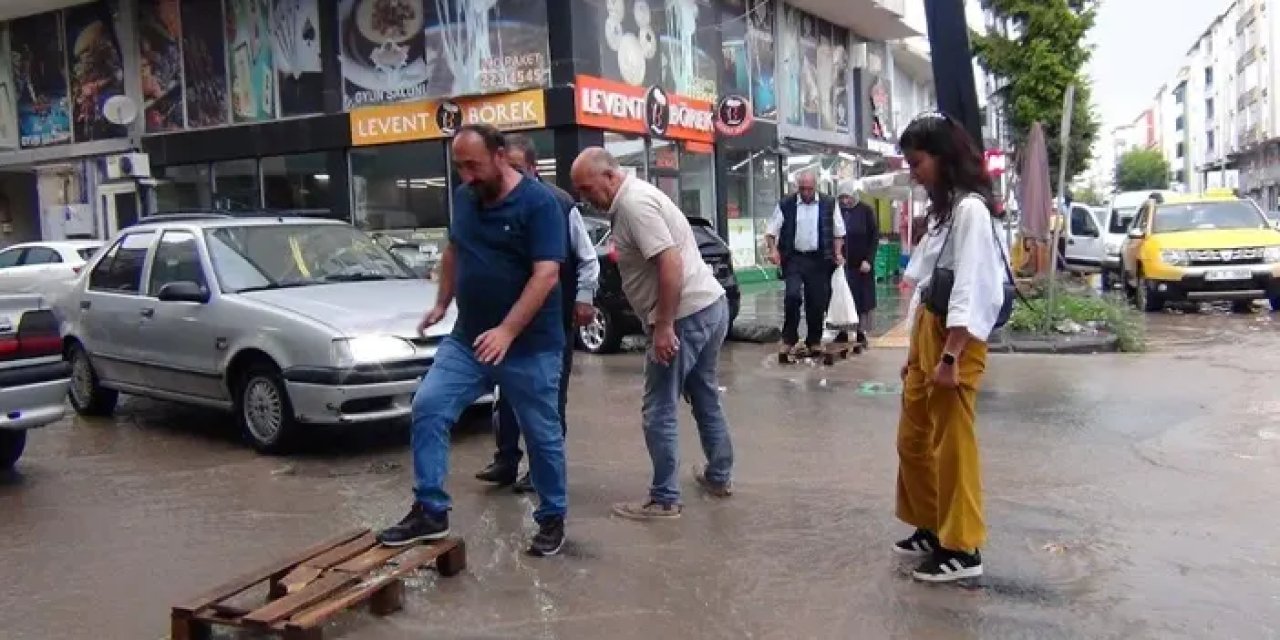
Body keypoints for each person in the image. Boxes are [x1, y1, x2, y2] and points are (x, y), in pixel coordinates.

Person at [376, 124, 569, 558]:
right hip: (468, 340)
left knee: (542, 435)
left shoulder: (538, 204)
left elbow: (547, 274)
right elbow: (454, 250)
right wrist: (442, 302)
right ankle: (429, 510)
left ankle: (552, 517)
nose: (466, 176)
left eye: (474, 166)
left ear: (501, 155)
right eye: (459, 166)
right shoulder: (466, 198)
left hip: (530, 346)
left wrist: (507, 331)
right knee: (428, 406)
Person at [569, 147, 734, 519]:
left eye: (587, 188)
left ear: (610, 176)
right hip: (708, 306)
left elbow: (670, 262)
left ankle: (664, 499)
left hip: (686, 315)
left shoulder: (634, 205)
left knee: (658, 407)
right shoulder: (637, 197)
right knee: (704, 394)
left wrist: (663, 325)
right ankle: (718, 476)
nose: (585, 198)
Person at [891, 111, 1008, 582]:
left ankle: (963, 547)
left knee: (952, 445)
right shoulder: (945, 211)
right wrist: (913, 353)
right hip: (929, 335)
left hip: (953, 340)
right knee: (914, 440)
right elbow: (922, 284)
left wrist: (949, 355)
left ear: (942, 158)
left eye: (917, 162)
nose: (912, 172)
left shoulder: (971, 212)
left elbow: (974, 287)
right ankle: (932, 523)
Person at [474, 133, 599, 494]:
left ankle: (541, 470)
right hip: (506, 323)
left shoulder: (558, 204)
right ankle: (506, 460)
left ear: (532, 167)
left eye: (515, 168)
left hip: (550, 323)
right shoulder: (491, 202)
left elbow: (587, 259)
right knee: (506, 395)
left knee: (547, 398)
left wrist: (584, 299)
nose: (507, 175)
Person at [764, 172, 846, 361]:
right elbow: (771, 231)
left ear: (815, 186)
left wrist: (838, 253)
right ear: (797, 187)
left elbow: (838, 232)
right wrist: (773, 250)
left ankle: (813, 340)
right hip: (794, 258)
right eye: (802, 189)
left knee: (816, 301)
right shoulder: (786, 204)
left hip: (819, 259)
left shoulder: (829, 203)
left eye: (809, 189)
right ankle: (789, 338)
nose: (806, 193)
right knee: (792, 296)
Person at [834, 179, 879, 349]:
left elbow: (874, 237)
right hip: (842, 264)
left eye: (848, 197)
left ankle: (861, 331)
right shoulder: (837, 212)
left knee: (862, 298)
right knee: (842, 297)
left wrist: (869, 259)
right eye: (842, 198)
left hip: (862, 265)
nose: (845, 201)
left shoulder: (866, 211)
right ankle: (843, 331)